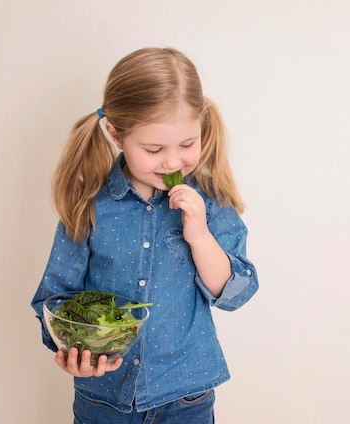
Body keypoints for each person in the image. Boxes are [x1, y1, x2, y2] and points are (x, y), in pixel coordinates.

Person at [31, 47, 259, 423]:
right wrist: (75, 352)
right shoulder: (89, 204)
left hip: (186, 397)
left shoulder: (211, 201)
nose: (172, 162)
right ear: (115, 134)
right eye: (154, 149)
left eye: (187, 144)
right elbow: (56, 299)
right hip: (103, 401)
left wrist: (199, 235)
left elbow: (236, 292)